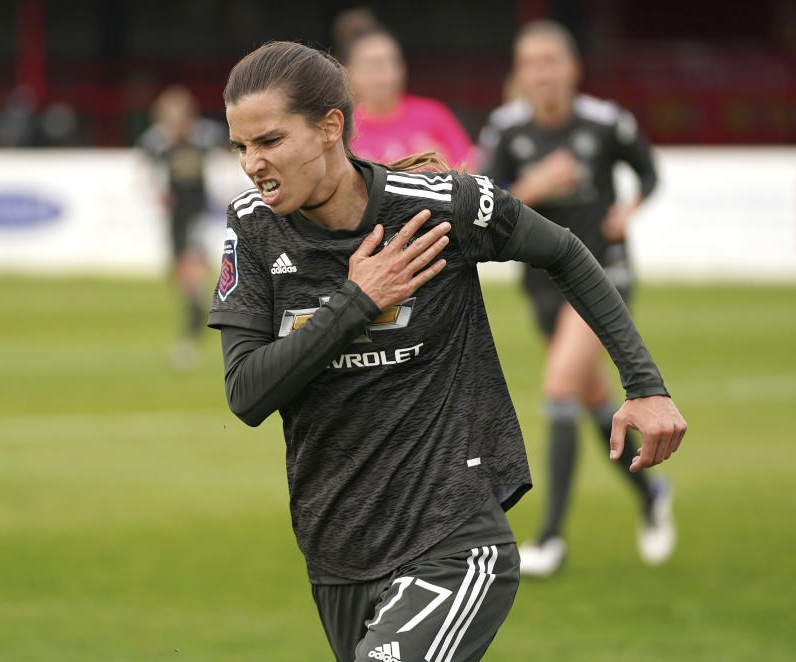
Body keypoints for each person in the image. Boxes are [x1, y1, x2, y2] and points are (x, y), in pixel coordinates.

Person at [209, 41, 686, 662]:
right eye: (240, 146)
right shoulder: (252, 224)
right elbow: (247, 393)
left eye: (269, 141)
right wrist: (356, 301)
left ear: (329, 128)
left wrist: (644, 385)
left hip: (454, 533)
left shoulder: (439, 207)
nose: (252, 163)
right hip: (336, 544)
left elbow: (565, 251)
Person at [479, 20, 671, 577]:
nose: (542, 73)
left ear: (572, 68)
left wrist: (628, 211)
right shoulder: (507, 130)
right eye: (531, 63)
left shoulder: (606, 122)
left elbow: (650, 174)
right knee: (590, 403)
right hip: (541, 284)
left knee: (560, 385)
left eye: (551, 61)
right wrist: (534, 187)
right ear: (519, 74)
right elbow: (485, 202)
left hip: (603, 274)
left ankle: (549, 540)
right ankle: (651, 495)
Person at [137, 85, 226, 368]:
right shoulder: (156, 142)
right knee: (179, 269)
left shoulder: (204, 136)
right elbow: (146, 171)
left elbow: (225, 158)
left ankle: (195, 320)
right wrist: (157, 193)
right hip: (176, 215)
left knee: (192, 266)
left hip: (199, 211)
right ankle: (196, 305)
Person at [343, 26, 476, 172]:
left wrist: (445, 167)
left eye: (392, 62)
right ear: (349, 72)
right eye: (374, 65)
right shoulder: (343, 126)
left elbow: (473, 174)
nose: (386, 73)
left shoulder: (433, 114)